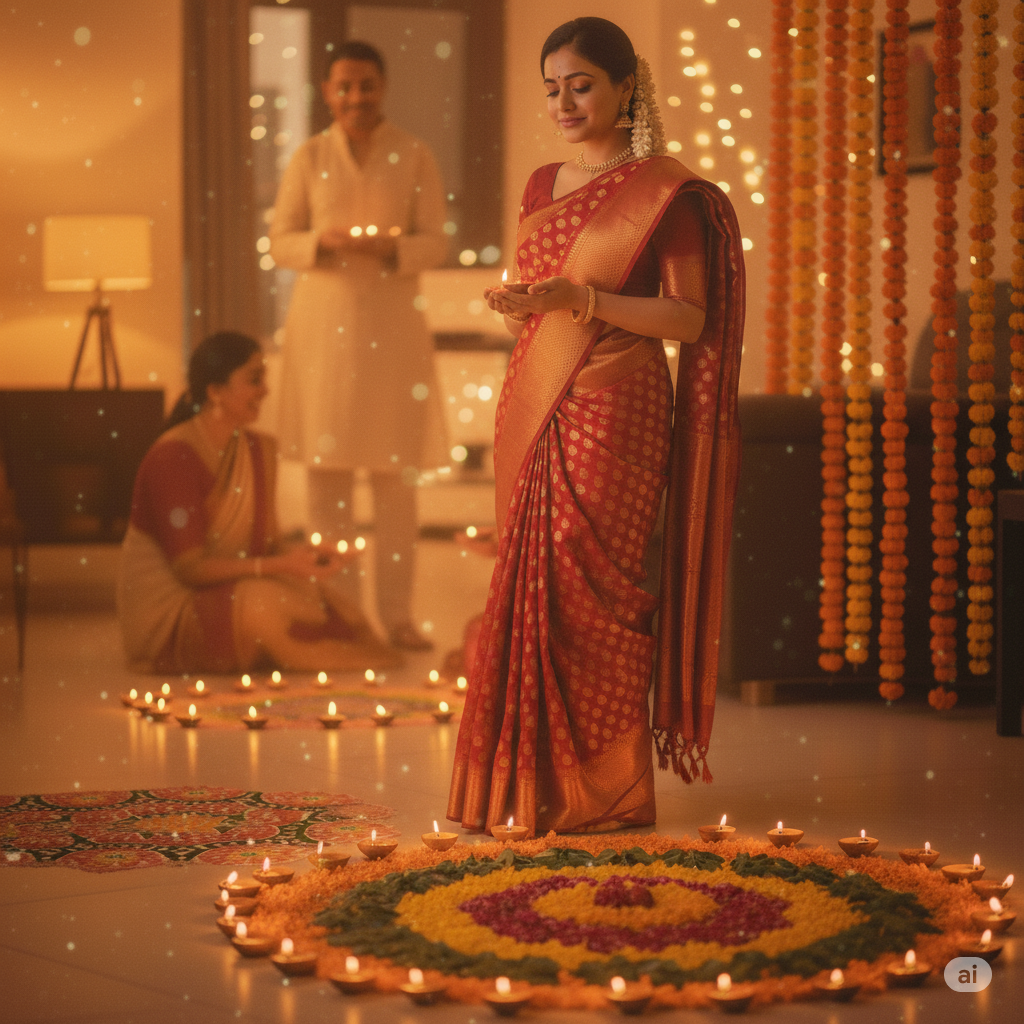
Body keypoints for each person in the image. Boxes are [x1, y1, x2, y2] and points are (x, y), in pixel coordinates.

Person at [447, 18, 745, 835]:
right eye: (552, 88)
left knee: (593, 585)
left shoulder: (664, 194)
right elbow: (535, 305)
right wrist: (519, 307)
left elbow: (687, 318)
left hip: (620, 403)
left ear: (624, 88)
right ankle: (526, 784)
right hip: (537, 391)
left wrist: (581, 300)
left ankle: (603, 790)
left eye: (581, 85)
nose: (564, 103)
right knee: (531, 580)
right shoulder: (541, 184)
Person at [269, 41, 448, 652]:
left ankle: (397, 617)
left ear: (383, 87)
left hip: (393, 334)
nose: (356, 98)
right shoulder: (309, 156)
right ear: (326, 92)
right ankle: (341, 617)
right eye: (344, 87)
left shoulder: (414, 154)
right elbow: (279, 240)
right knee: (327, 485)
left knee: (396, 486)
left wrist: (392, 247)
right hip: (323, 336)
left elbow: (436, 241)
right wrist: (322, 241)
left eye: (366, 85)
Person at [117, 331, 399, 674]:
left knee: (326, 603)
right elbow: (189, 569)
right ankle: (280, 650)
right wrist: (281, 567)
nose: (265, 390)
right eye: (254, 380)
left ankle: (276, 650)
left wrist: (307, 558)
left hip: (229, 586)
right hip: (172, 609)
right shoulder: (173, 456)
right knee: (265, 606)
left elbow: (268, 545)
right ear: (215, 391)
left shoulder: (258, 450)